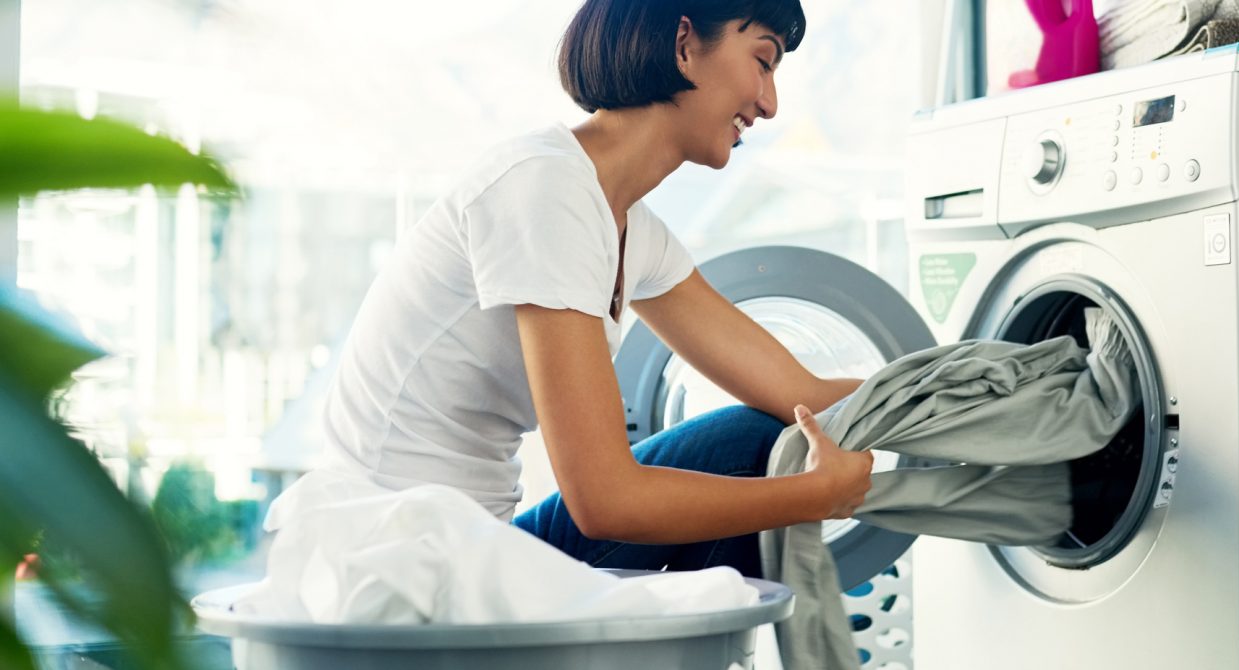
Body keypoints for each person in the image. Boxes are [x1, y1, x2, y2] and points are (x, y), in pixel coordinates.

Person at [319, 0, 873, 580]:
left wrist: (937, 392)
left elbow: (801, 394)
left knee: (748, 440)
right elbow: (606, 500)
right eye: (763, 61)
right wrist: (813, 495)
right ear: (684, 44)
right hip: (400, 572)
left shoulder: (629, 227)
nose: (770, 103)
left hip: (475, 545)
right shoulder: (546, 187)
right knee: (746, 446)